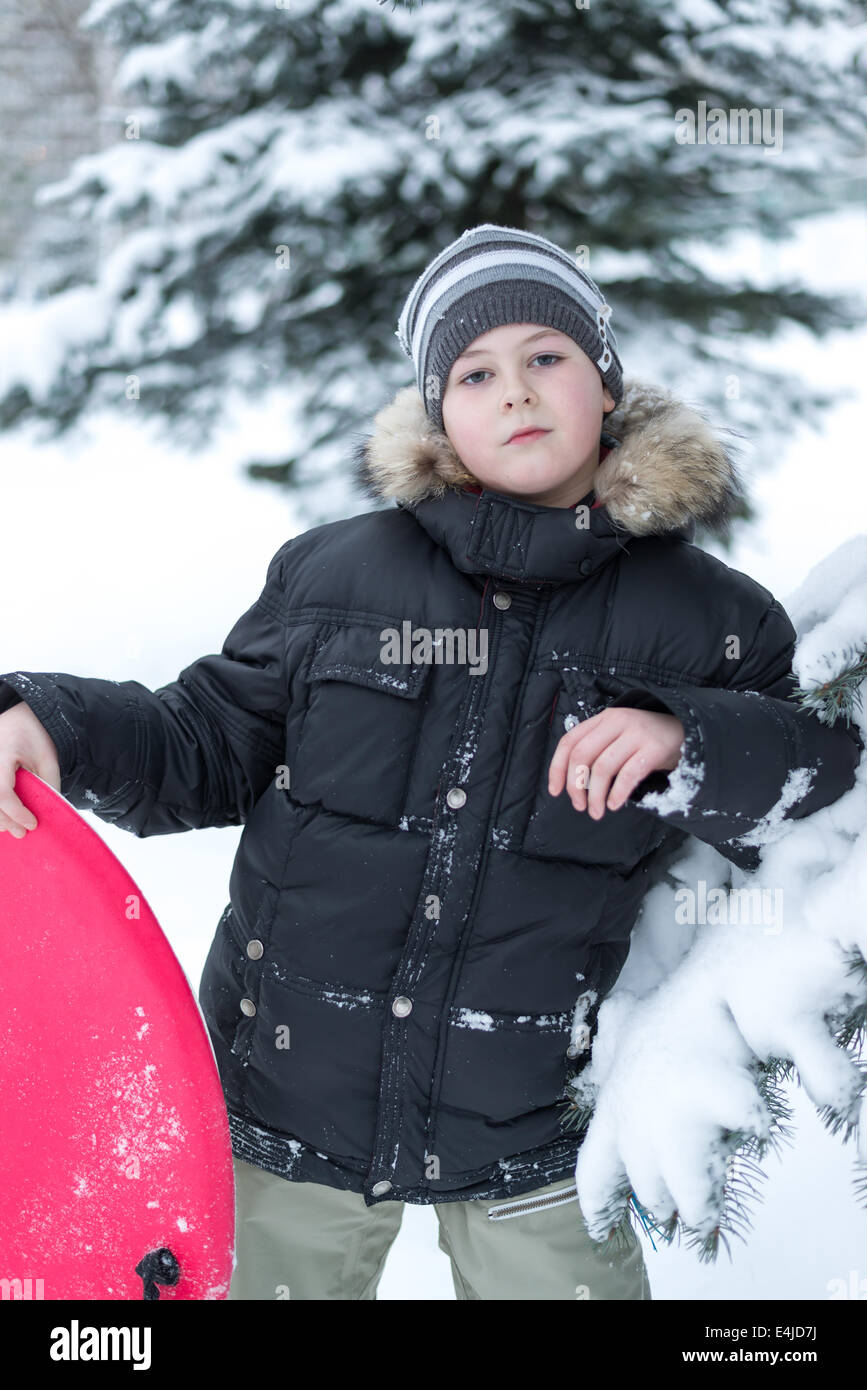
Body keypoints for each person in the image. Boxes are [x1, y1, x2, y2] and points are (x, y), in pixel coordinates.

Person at [0, 223, 861, 1301]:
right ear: (439, 412)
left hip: (537, 1117)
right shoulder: (335, 578)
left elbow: (820, 779)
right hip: (288, 1104)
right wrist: (51, 722)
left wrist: (690, 739)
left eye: (547, 356)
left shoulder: (708, 618)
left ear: (605, 379)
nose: (516, 392)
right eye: (475, 371)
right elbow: (205, 740)